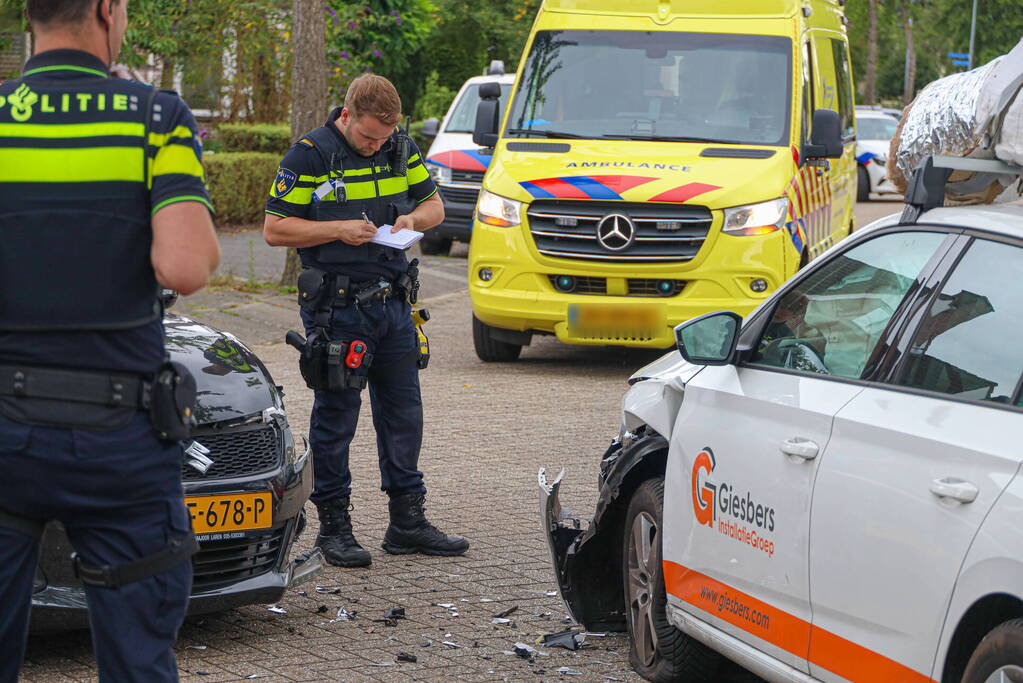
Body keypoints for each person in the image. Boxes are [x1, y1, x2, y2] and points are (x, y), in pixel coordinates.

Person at [0, 0, 220, 680]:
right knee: (136, 658)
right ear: (104, 9)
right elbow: (185, 268)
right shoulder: (156, 118)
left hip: (4, 429)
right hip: (119, 440)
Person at [264, 74, 468, 568]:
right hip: (337, 309)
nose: (376, 145)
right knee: (336, 420)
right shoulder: (309, 155)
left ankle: (407, 522)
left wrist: (411, 221)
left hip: (394, 305)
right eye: (368, 137)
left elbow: (435, 205)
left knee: (404, 415)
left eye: (383, 137)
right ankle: (335, 528)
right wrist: (337, 229)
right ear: (347, 114)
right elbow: (274, 228)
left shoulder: (400, 146)